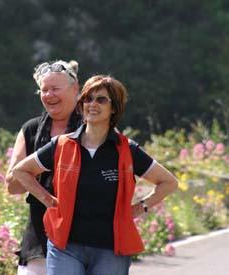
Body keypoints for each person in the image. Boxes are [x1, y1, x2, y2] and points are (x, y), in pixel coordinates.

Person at [11, 75, 178, 275]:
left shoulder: (126, 150)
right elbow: (20, 171)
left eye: (101, 100)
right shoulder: (62, 145)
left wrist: (141, 207)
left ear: (114, 107)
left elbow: (169, 182)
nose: (92, 104)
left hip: (111, 249)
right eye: (88, 99)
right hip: (65, 246)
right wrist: (47, 199)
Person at [5, 60, 82, 274]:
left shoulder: (92, 127)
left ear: (75, 89)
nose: (49, 95)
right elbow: (12, 185)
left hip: (85, 233)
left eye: (55, 89)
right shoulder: (31, 129)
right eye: (44, 90)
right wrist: (43, 164)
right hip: (40, 233)